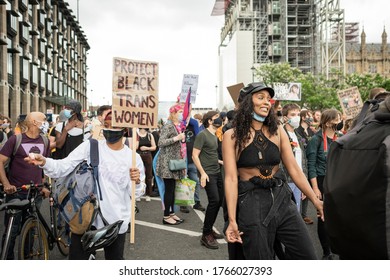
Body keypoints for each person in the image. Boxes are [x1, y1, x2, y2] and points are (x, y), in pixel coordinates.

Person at [24, 110, 145, 260]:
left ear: (124, 130)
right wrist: (44, 161)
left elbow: (137, 194)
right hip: (85, 219)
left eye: (114, 126)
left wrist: (137, 182)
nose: (109, 130)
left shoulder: (133, 158)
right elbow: (63, 166)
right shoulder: (91, 146)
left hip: (116, 222)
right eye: (106, 125)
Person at [223, 82, 324, 260]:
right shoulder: (231, 135)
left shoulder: (278, 130)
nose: (266, 102)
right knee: (260, 260)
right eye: (260, 97)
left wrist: (316, 201)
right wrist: (232, 220)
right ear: (247, 102)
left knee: (307, 256)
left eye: (268, 99)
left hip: (282, 198)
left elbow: (294, 169)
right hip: (251, 202)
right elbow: (231, 179)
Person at [0, 112, 51, 259]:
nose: (46, 122)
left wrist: (44, 185)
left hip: (35, 193)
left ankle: (26, 260)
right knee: (12, 231)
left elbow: (46, 165)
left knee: (30, 231)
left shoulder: (45, 141)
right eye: (43, 120)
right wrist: (6, 184)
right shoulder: (16, 140)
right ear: (34, 122)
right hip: (16, 192)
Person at [306, 108, 342, 260]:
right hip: (321, 180)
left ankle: (337, 247)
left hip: (337, 181)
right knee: (323, 216)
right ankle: (326, 251)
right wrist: (315, 188)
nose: (340, 123)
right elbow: (311, 165)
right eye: (337, 120)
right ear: (327, 123)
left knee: (337, 216)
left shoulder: (340, 138)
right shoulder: (316, 140)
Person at [192, 111, 225, 249]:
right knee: (214, 201)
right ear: (210, 121)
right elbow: (195, 155)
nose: (220, 120)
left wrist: (221, 162)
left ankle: (209, 228)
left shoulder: (214, 135)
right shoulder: (202, 135)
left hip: (217, 171)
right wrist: (203, 173)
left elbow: (210, 154)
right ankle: (206, 235)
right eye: (217, 118)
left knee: (219, 201)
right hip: (208, 173)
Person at [155, 103, 186, 225]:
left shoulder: (175, 126)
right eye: (179, 112)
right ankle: (166, 216)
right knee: (169, 190)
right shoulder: (168, 126)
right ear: (173, 113)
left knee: (172, 190)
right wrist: (176, 138)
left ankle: (171, 213)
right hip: (167, 163)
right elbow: (160, 142)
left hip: (174, 162)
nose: (181, 114)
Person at [281, 103, 306, 212]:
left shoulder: (299, 136)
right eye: (293, 114)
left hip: (299, 181)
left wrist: (305, 183)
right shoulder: (281, 134)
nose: (297, 117)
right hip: (287, 181)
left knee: (296, 212)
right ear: (285, 117)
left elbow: (303, 162)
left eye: (298, 114)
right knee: (286, 213)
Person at [295, 109, 315, 225]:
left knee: (306, 187)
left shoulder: (311, 132)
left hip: (308, 162)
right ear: (303, 117)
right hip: (300, 162)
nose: (311, 118)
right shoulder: (298, 131)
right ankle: (297, 215)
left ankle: (304, 214)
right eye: (309, 116)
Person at [136, 128, 156, 201]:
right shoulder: (136, 134)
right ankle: (138, 194)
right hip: (138, 155)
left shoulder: (150, 135)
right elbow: (135, 147)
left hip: (148, 155)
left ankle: (148, 194)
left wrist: (146, 148)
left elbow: (154, 147)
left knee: (149, 175)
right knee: (138, 174)